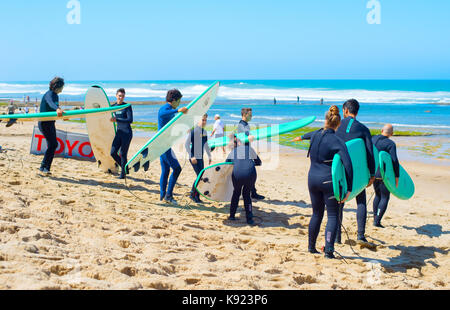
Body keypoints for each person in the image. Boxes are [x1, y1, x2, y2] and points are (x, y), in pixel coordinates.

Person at [293, 106, 353, 259]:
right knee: (332, 216)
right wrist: (349, 189)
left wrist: (300, 137)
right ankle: (328, 251)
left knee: (316, 214)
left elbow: (308, 134)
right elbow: (348, 165)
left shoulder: (316, 135)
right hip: (328, 181)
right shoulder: (338, 141)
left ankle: (311, 247)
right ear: (338, 124)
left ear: (325, 120)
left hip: (312, 178)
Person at [335, 99, 376, 245]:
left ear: (345, 110)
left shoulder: (337, 125)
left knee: (339, 201)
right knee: (361, 200)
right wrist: (371, 174)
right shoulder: (363, 129)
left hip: (339, 168)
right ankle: (360, 235)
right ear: (357, 112)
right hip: (357, 171)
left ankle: (337, 237)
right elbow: (370, 153)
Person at [158, 89, 188, 205]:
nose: (179, 103)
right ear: (174, 100)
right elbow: (162, 114)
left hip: (164, 144)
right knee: (177, 168)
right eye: (179, 101)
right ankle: (168, 196)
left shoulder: (170, 109)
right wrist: (177, 110)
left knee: (165, 170)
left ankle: (162, 195)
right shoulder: (165, 108)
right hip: (162, 145)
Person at [226, 135, 262, 225]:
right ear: (239, 142)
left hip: (237, 175)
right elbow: (259, 162)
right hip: (250, 174)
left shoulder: (232, 152)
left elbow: (226, 165)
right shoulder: (249, 149)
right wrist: (250, 163)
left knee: (236, 193)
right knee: (246, 195)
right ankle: (249, 219)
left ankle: (232, 216)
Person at [372, 124, 399, 228]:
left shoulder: (372, 138)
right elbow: (394, 161)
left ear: (381, 130)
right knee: (384, 197)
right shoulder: (390, 144)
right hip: (384, 174)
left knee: (377, 195)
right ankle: (377, 221)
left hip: (373, 172)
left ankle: (375, 217)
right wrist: (397, 176)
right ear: (391, 134)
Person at [37, 77, 65, 175]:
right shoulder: (49, 94)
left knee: (53, 144)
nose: (63, 88)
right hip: (44, 123)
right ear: (57, 86)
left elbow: (54, 106)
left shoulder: (56, 95)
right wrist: (57, 109)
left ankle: (45, 168)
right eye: (62, 86)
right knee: (53, 144)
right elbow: (51, 103)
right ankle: (43, 167)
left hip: (50, 123)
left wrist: (61, 112)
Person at [237, 108, 265, 200]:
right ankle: (252, 192)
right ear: (245, 115)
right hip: (244, 150)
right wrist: (249, 134)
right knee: (251, 171)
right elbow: (245, 131)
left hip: (248, 149)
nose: (251, 116)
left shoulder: (245, 124)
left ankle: (252, 191)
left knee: (258, 163)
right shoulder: (241, 124)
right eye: (250, 114)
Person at [185, 114, 212, 203]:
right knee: (200, 176)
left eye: (205, 120)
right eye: (202, 120)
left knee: (201, 176)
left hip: (200, 157)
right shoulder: (193, 131)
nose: (204, 122)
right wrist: (191, 156)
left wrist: (209, 155)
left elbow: (206, 144)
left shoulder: (204, 132)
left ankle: (195, 195)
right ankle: (193, 195)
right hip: (193, 157)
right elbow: (187, 144)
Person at [110, 88, 133, 179]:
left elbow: (130, 120)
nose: (121, 97)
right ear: (116, 96)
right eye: (119, 96)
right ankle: (125, 167)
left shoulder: (126, 106)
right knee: (113, 152)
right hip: (119, 132)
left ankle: (123, 174)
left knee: (123, 154)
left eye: (123, 96)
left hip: (126, 133)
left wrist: (117, 119)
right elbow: (104, 111)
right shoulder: (113, 106)